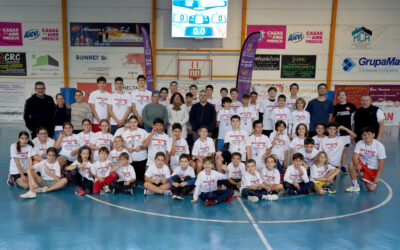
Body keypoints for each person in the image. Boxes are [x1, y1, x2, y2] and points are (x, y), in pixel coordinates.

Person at [346, 127, 386, 192]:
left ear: (373, 135)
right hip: (362, 164)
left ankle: (363, 176)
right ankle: (355, 185)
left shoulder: (379, 146)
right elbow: (355, 157)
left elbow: (382, 162)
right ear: (362, 136)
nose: (366, 136)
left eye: (369, 134)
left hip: (372, 168)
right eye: (364, 134)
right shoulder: (359, 143)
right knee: (351, 164)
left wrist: (377, 176)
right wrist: (356, 164)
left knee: (371, 189)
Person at [333, 90, 357, 174]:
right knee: (336, 149)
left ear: (346, 96)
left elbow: (354, 121)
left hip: (347, 132)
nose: (341, 96)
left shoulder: (352, 106)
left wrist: (352, 132)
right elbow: (333, 119)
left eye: (343, 95)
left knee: (344, 150)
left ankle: (342, 166)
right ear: (337, 97)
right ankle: (334, 165)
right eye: (340, 95)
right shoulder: (335, 107)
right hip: (337, 133)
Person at [123, 115, 148, 182]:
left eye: (134, 122)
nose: (133, 124)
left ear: (137, 122)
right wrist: (127, 148)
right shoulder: (125, 133)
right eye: (131, 122)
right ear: (129, 123)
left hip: (141, 158)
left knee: (140, 178)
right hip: (131, 159)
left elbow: (148, 144)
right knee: (132, 179)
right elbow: (122, 145)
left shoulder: (143, 132)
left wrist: (141, 147)